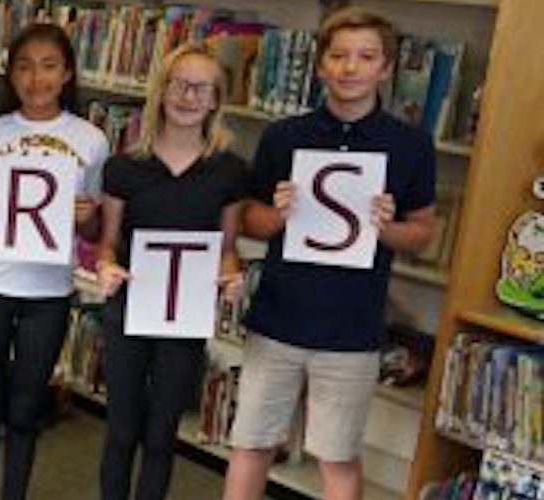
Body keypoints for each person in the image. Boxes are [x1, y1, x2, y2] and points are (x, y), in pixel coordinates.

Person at [225, 8, 438, 500]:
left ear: (385, 69)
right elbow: (250, 220)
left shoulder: (410, 146)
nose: (350, 68)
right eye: (338, 56)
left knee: (338, 458)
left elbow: (423, 232)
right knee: (251, 445)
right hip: (277, 317)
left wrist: (388, 229)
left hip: (352, 327)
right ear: (320, 65)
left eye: (366, 57)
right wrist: (277, 215)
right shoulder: (284, 136)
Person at [0, 22, 110, 500]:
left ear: (67, 73)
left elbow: (91, 231)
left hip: (48, 290)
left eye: (49, 66)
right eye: (24, 66)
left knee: (26, 411)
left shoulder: (91, 139)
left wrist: (87, 219)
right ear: (10, 74)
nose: (36, 78)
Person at [93, 46, 249, 500]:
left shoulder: (229, 172)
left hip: (185, 315)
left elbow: (227, 249)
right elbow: (107, 241)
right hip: (128, 308)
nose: (188, 96)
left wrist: (232, 278)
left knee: (162, 435)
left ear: (216, 100)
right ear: (160, 92)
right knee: (121, 431)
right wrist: (104, 266)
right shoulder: (125, 167)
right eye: (178, 84)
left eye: (201, 88)